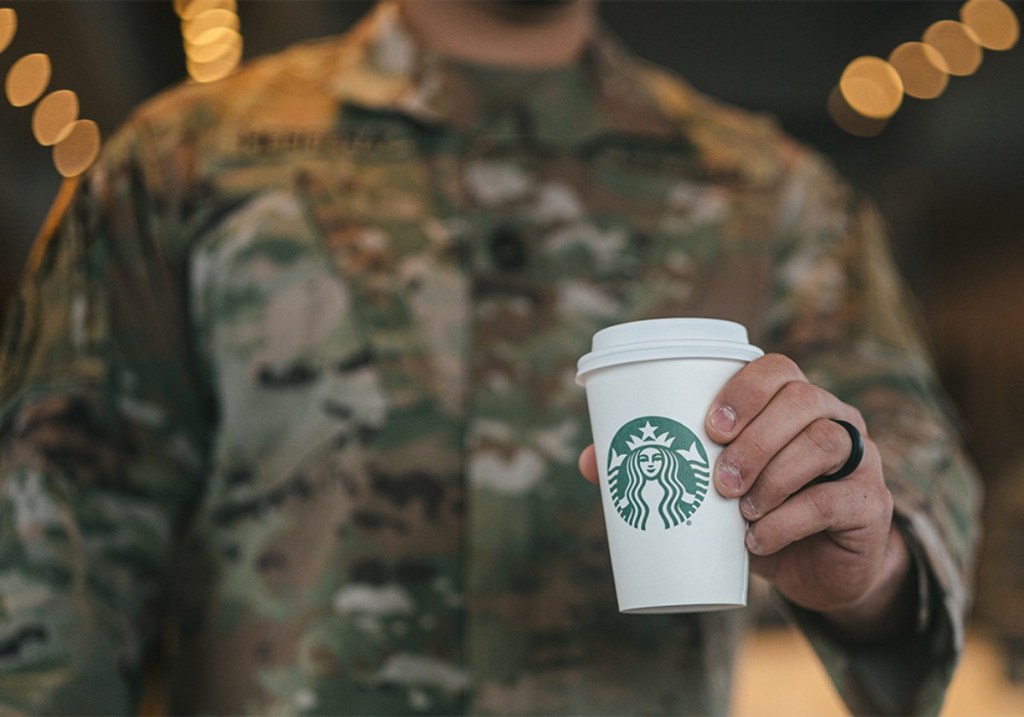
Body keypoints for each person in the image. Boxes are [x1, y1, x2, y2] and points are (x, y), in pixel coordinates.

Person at [0, 1, 981, 715]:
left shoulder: (773, 194)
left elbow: (900, 453)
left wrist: (867, 554)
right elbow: (54, 568)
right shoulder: (180, 168)